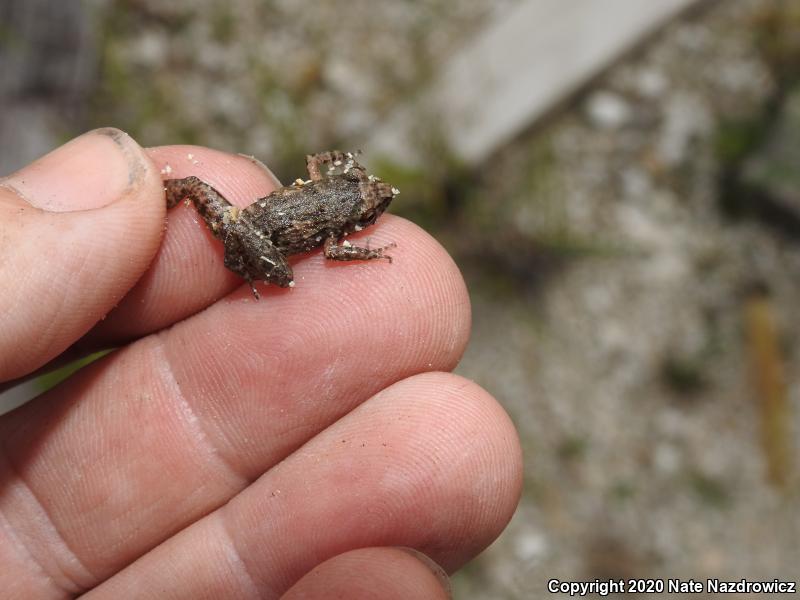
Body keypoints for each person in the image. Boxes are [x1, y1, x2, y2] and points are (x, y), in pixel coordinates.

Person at [0, 128, 522, 598]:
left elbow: (319, 155)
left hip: (246, 217)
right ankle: (143, 208)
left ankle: (171, 196)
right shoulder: (340, 232)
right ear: (358, 218)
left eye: (371, 201)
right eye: (370, 206)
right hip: (257, 237)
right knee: (287, 278)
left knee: (201, 187)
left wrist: (344, 166)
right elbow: (335, 251)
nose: (377, 204)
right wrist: (367, 250)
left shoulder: (330, 182)